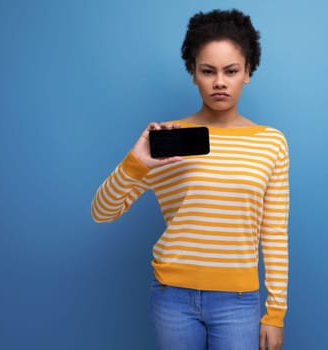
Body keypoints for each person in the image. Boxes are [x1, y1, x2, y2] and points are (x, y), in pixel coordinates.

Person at [91, 8, 289, 350]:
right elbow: (101, 212)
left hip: (239, 302)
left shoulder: (271, 143)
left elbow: (273, 234)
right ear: (193, 73)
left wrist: (275, 314)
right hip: (173, 298)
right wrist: (135, 162)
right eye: (207, 71)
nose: (220, 82)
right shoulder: (169, 137)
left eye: (231, 71)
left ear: (248, 73)